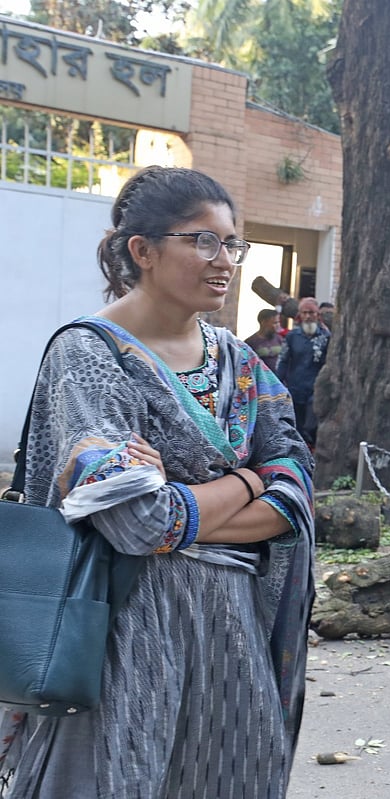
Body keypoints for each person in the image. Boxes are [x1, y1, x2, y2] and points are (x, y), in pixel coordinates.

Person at [0, 165, 315, 797]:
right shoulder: (87, 357)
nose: (223, 260)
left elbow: (300, 484)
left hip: (233, 628)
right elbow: (140, 522)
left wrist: (183, 493)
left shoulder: (240, 363)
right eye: (203, 241)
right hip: (120, 625)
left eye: (233, 244)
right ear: (141, 250)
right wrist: (252, 480)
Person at [276, 296, 330, 445]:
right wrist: (276, 384)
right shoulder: (292, 337)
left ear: (317, 315)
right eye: (304, 313)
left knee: (311, 427)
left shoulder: (326, 337)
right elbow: (283, 360)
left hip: (316, 390)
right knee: (296, 428)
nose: (308, 316)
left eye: (311, 313)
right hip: (295, 389)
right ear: (300, 315)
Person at [245, 306, 285, 371]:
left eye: (278, 322)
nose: (278, 325)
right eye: (275, 323)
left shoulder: (280, 339)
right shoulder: (250, 342)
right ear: (263, 322)